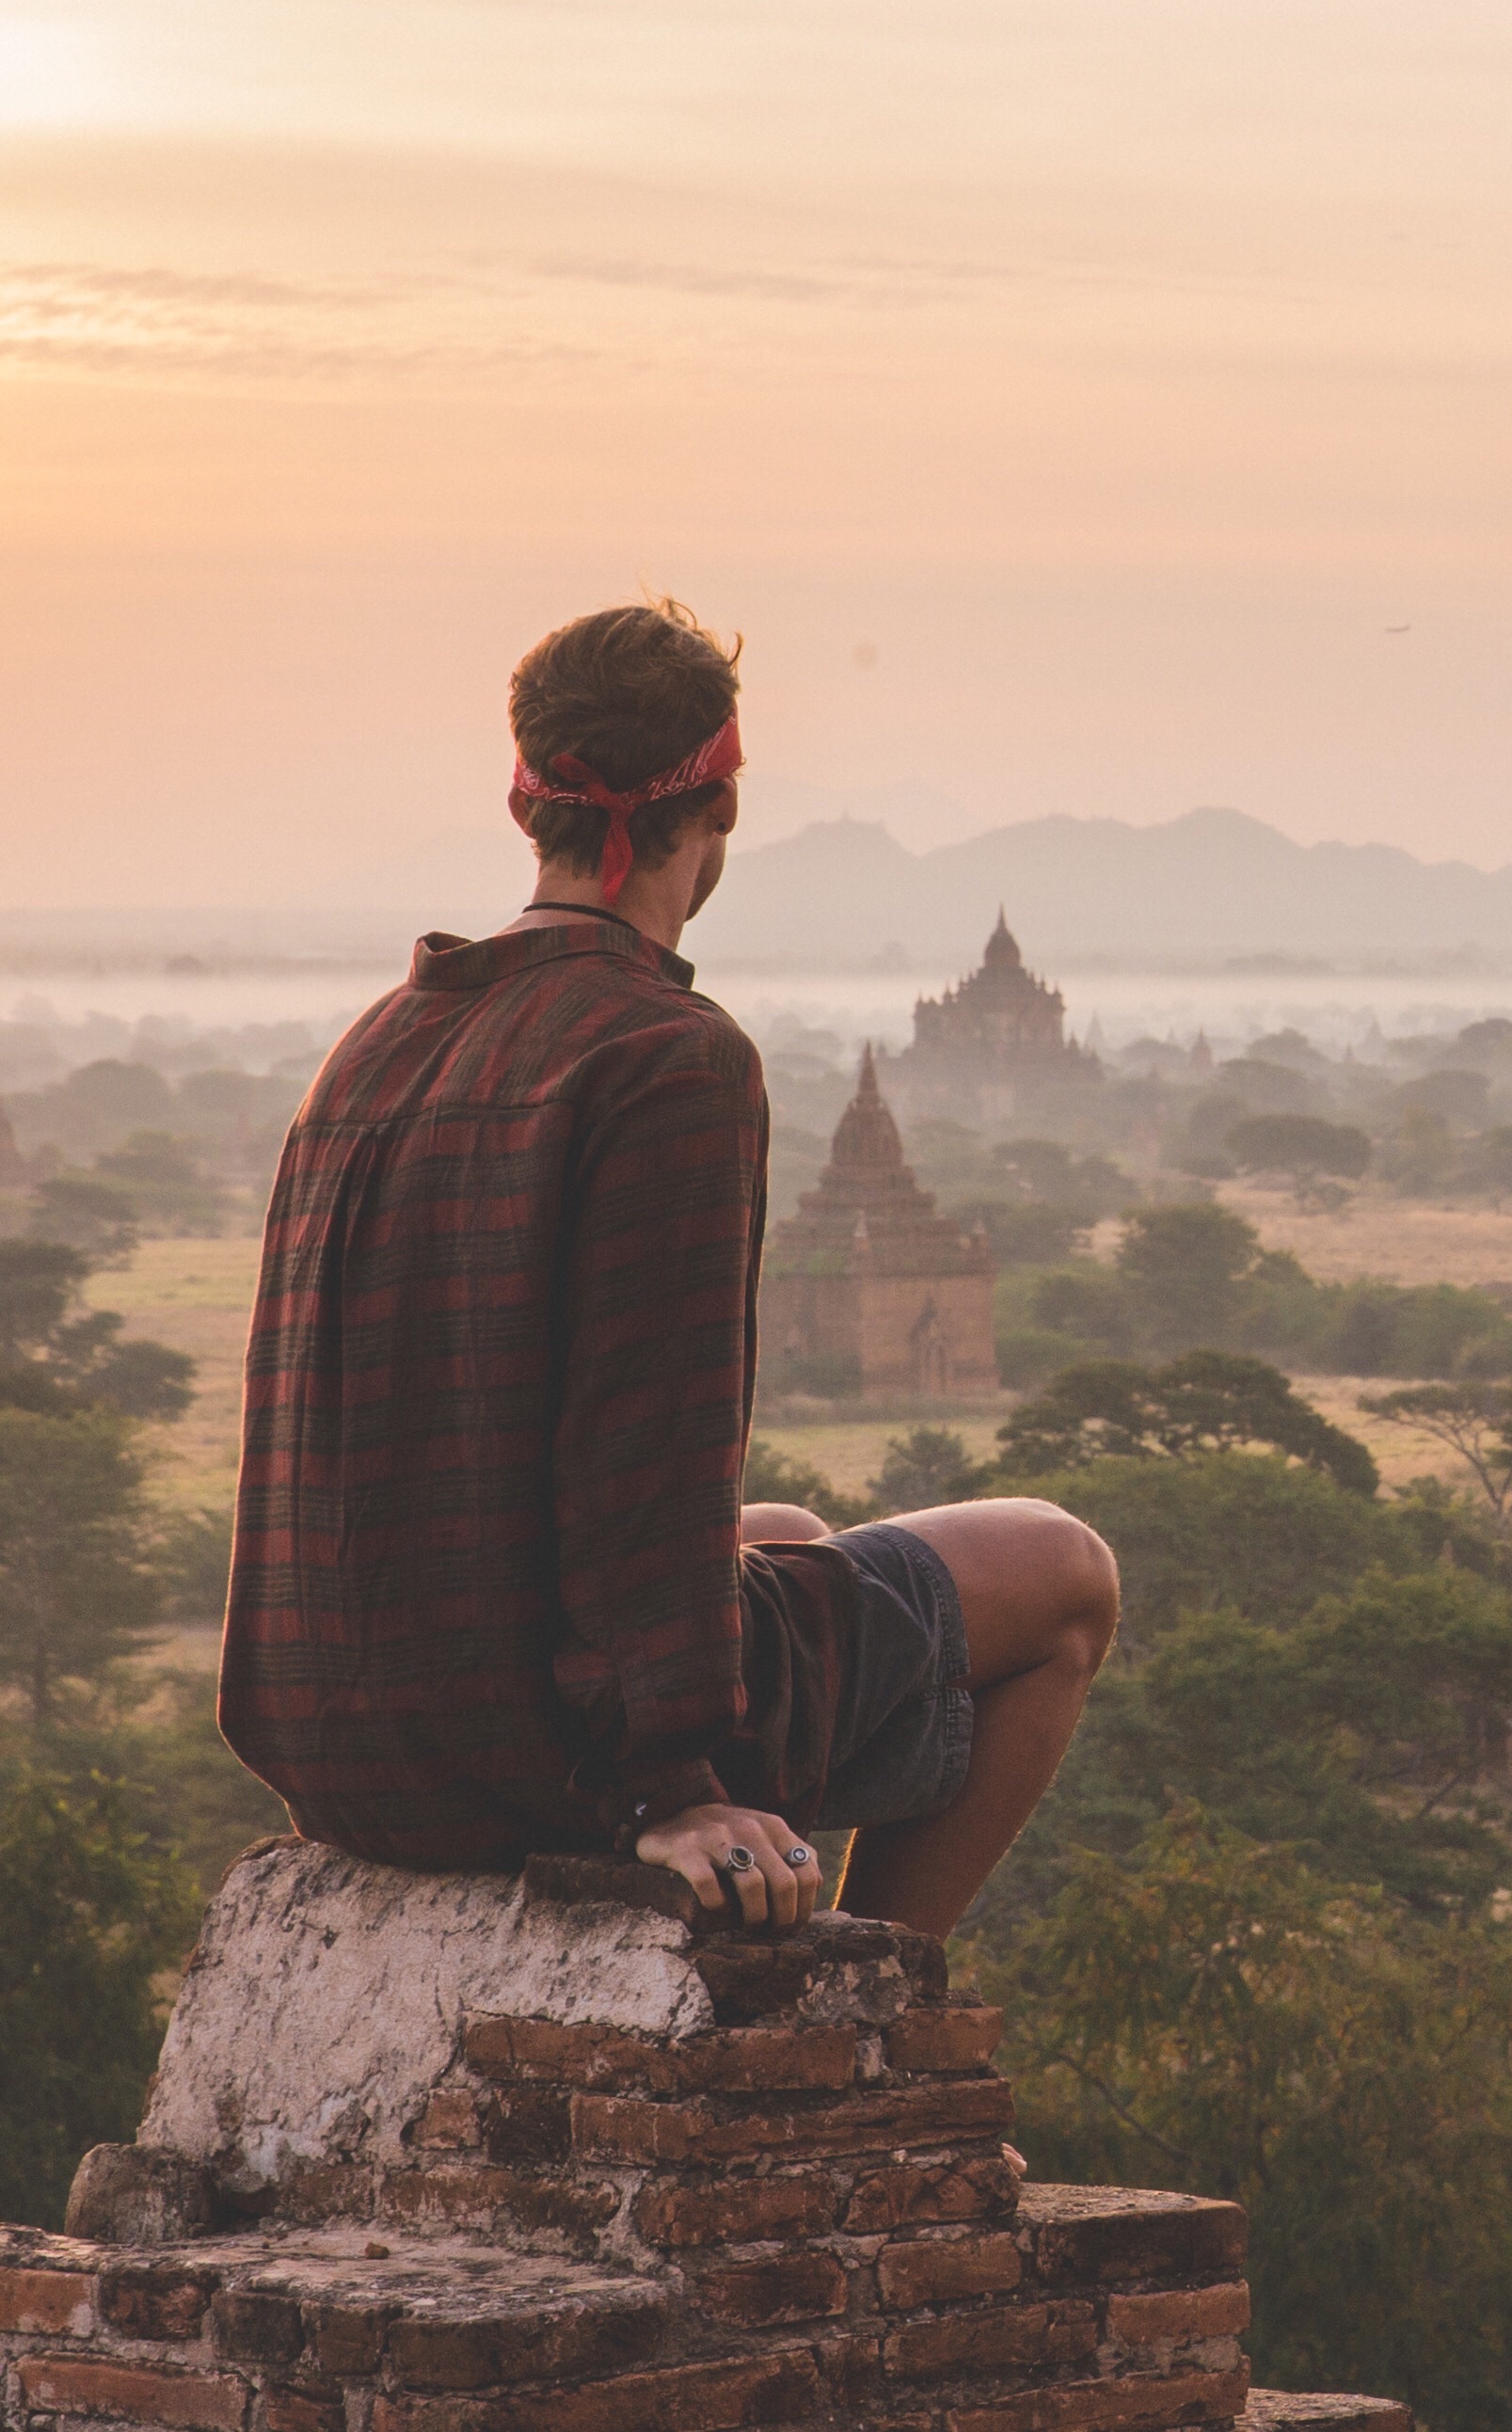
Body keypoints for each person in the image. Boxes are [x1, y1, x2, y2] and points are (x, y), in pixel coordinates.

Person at [221, 597, 1117, 1933]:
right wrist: (671, 1785)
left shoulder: (382, 1034)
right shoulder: (666, 1055)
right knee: (1059, 1569)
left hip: (332, 1740)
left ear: (528, 805)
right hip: (534, 1756)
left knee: (793, 1538)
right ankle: (870, 1994)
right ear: (721, 809)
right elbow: (644, 1451)